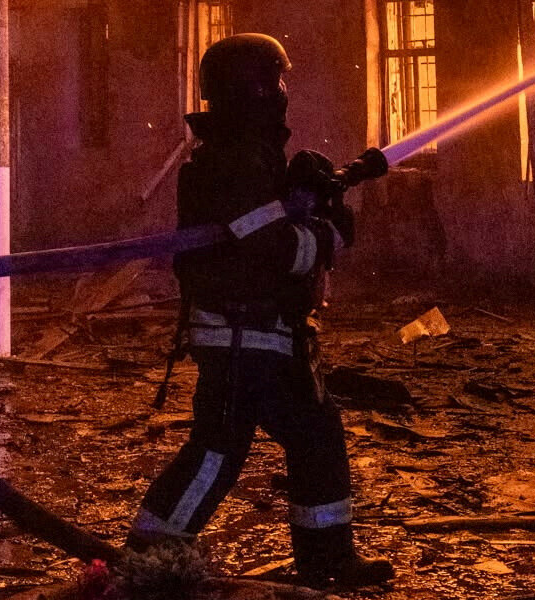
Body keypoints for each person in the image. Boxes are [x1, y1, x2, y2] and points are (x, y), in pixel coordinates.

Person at [127, 34, 394, 590]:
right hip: (243, 336)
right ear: (252, 90)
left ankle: (327, 560)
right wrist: (327, 230)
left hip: (263, 334)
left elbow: (269, 228)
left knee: (302, 437)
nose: (283, 93)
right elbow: (269, 247)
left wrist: (310, 194)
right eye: (275, 81)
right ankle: (149, 558)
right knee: (220, 451)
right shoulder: (234, 163)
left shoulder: (246, 155)